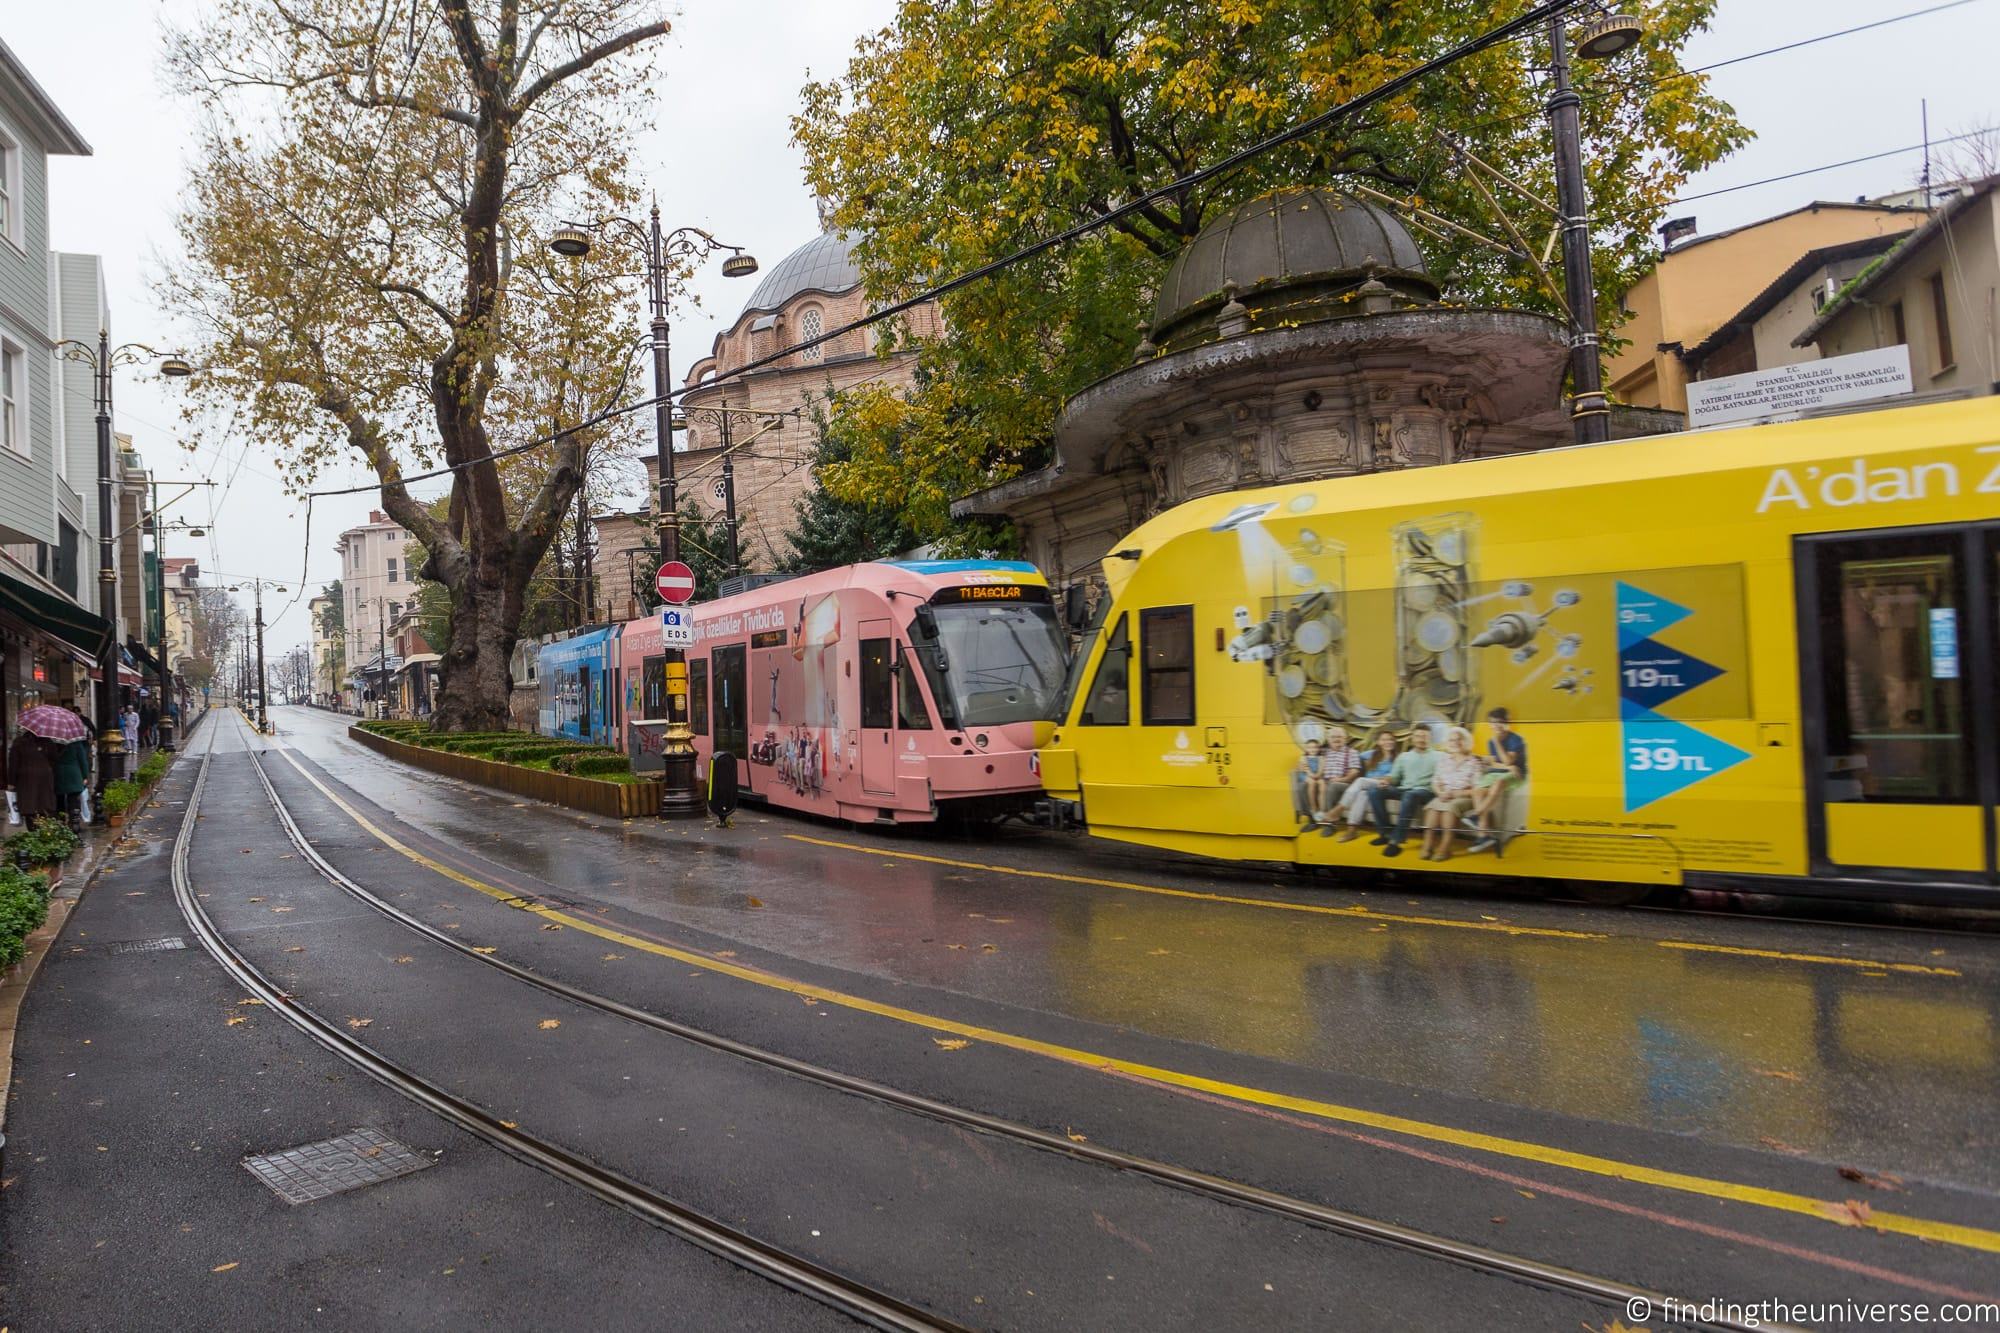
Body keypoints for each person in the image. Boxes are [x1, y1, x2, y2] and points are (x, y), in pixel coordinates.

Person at [1368, 724, 1438, 858]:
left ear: (1430, 738)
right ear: (1412, 738)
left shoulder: (1440, 756)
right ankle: (1385, 834)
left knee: (1411, 794)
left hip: (1426, 791)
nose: (1421, 739)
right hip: (1405, 789)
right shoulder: (1404, 756)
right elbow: (1394, 777)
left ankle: (1396, 841)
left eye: (1425, 736)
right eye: (1418, 736)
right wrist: (1386, 781)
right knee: (1374, 791)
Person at [1467, 708, 1529, 855]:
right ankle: (1483, 836)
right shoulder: (1491, 741)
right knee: (1478, 790)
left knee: (1498, 784)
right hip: (1501, 772)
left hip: (1517, 775)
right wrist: (1508, 767)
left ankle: (1477, 815)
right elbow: (1495, 763)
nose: (1496, 726)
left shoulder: (1516, 739)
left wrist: (1497, 742)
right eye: (1493, 723)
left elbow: (1508, 760)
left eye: (1500, 722)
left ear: (1507, 723)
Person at [1418, 726, 1484, 862]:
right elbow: (1435, 781)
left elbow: (1478, 789)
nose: (1455, 743)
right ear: (1448, 743)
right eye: (1451, 740)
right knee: (1432, 808)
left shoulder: (1474, 762)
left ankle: (1445, 847)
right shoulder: (1444, 759)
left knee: (1448, 810)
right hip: (1445, 795)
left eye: (1459, 739)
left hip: (1464, 796)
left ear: (1465, 741)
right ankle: (1428, 845)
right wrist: (1440, 792)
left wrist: (1458, 793)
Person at [1335, 733, 1400, 841]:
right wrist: (1347, 771)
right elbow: (1353, 755)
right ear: (1379, 742)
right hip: (1368, 786)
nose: (1388, 742)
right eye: (1384, 740)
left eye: (1390, 740)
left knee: (1360, 781)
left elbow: (1395, 776)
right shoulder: (1372, 754)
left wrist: (1382, 778)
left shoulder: (1398, 757)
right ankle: (1352, 830)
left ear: (1394, 742)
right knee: (1362, 794)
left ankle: (1340, 807)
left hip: (1383, 784)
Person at [7, 725, 58, 825]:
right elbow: (54, 759)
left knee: (29, 806)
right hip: (45, 777)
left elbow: (13, 764)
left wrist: (11, 782)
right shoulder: (48, 742)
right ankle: (43, 829)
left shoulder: (19, 742)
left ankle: (33, 830)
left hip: (25, 779)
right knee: (44, 805)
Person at [51, 706, 91, 830]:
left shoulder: (52, 742)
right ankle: (74, 824)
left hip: (57, 774)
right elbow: (82, 760)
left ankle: (61, 823)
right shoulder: (75, 742)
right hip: (74, 775)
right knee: (74, 800)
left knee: (59, 800)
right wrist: (85, 775)